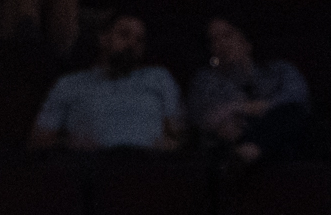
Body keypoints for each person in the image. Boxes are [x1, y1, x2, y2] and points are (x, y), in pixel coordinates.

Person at [29, 13, 183, 152]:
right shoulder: (70, 84)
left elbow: (179, 134)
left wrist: (168, 147)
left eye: (139, 40)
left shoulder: (159, 78)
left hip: (148, 167)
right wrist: (71, 145)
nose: (132, 44)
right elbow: (40, 140)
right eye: (124, 35)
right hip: (92, 168)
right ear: (103, 38)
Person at [186, 18, 310, 163]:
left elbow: (297, 99)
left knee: (291, 117)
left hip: (279, 142)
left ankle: (253, 149)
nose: (221, 44)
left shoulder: (279, 70)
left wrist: (262, 107)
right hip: (233, 140)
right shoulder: (206, 79)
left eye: (227, 35)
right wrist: (241, 108)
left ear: (246, 40)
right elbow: (200, 116)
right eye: (214, 39)